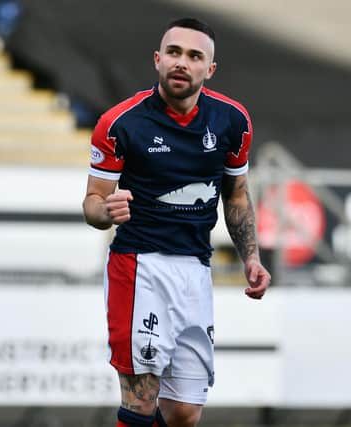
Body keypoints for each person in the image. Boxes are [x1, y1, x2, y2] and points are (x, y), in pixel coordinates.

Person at [82, 17, 271, 427]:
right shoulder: (120, 122)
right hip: (139, 267)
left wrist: (251, 257)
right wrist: (105, 213)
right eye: (173, 52)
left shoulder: (232, 121)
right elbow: (93, 202)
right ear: (157, 60)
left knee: (184, 412)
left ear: (210, 69)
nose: (181, 62)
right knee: (141, 401)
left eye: (194, 55)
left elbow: (236, 193)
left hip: (195, 269)